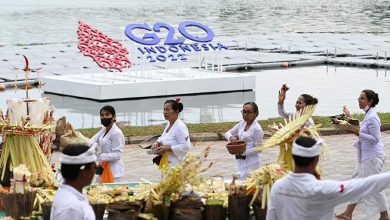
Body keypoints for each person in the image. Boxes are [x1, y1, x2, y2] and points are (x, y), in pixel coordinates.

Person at [267, 136, 390, 220]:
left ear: (293, 158)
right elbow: (367, 185)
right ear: (316, 160)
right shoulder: (324, 190)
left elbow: (271, 217)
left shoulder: (278, 187)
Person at [336, 90, 389, 220]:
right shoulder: (368, 115)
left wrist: (357, 133)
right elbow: (362, 125)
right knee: (356, 182)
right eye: (359, 98)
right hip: (365, 157)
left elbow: (375, 138)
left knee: (374, 185)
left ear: (370, 101)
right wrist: (349, 117)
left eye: (362, 98)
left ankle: (384, 215)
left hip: (372, 158)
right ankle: (348, 213)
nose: (359, 100)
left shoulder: (372, 117)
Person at [50, 144, 97, 220]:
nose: (95, 171)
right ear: (83, 171)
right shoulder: (71, 208)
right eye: (94, 167)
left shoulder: (71, 195)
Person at [224, 102, 264, 180]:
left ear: (255, 114)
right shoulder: (242, 123)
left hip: (252, 162)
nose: (245, 114)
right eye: (244, 112)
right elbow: (227, 133)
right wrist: (231, 137)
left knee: (249, 185)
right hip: (239, 161)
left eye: (248, 112)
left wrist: (242, 151)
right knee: (240, 184)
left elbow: (259, 148)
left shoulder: (257, 129)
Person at [88, 105, 125, 183]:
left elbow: (117, 155)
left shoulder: (117, 133)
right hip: (102, 168)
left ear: (113, 117)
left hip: (114, 172)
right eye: (102, 115)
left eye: (107, 114)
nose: (104, 117)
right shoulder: (103, 130)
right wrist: (95, 148)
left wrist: (98, 156)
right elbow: (90, 142)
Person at [151, 98, 192, 168]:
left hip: (178, 167)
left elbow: (186, 146)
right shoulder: (169, 124)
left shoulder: (180, 127)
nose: (164, 112)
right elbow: (164, 137)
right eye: (164, 109)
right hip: (168, 165)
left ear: (176, 112)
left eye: (168, 110)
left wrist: (168, 149)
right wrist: (157, 143)